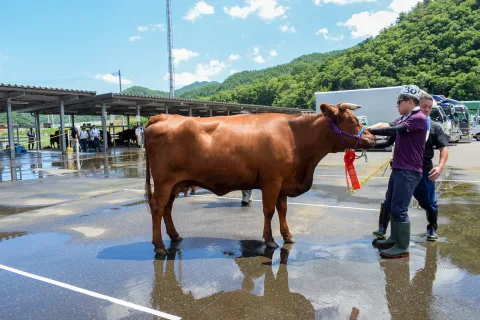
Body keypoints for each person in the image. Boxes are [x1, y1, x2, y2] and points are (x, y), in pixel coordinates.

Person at [371, 91, 449, 242]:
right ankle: (383, 229)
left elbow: (444, 147)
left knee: (428, 202)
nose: (426, 109)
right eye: (424, 106)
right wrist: (363, 142)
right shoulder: (404, 120)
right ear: (417, 104)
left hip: (425, 170)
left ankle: (432, 227)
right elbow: (388, 135)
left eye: (429, 107)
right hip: (402, 169)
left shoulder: (434, 127)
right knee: (391, 200)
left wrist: (440, 167)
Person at [367, 85, 428, 259]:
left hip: (409, 171)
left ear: (410, 101)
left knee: (400, 209)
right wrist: (362, 145)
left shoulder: (418, 118)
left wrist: (368, 130)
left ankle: (402, 247)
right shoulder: (404, 118)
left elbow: (394, 130)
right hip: (399, 169)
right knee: (393, 206)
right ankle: (394, 238)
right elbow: (387, 141)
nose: (397, 105)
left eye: (399, 101)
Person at [238, 110, 253, 206]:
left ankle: (248, 195)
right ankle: (245, 196)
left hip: (251, 155)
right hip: (241, 156)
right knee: (245, 177)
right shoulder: (238, 129)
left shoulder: (252, 128)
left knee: (251, 177)